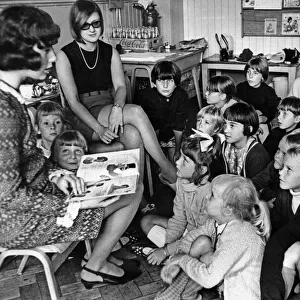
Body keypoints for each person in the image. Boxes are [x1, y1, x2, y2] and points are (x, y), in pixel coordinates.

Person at [0, 5, 143, 288]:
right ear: (22, 50)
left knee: (125, 184)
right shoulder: (5, 112)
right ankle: (95, 265)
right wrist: (70, 203)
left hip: (45, 194)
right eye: (46, 49)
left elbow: (28, 162)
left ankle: (101, 255)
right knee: (132, 192)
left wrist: (59, 175)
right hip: (21, 222)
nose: (53, 57)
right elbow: (8, 198)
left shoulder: (11, 101)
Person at [55, 0, 176, 185]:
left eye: (96, 23)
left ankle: (138, 193)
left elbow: (120, 87)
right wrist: (99, 129)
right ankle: (167, 168)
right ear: (76, 27)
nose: (92, 29)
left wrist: (118, 108)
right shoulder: (64, 55)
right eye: (85, 25)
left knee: (133, 135)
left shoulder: (109, 51)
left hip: (109, 108)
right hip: (84, 116)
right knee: (136, 111)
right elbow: (73, 102)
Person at [154, 174, 271, 300]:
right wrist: (176, 259)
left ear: (228, 209)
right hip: (225, 287)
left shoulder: (240, 235)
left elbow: (209, 279)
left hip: (239, 295)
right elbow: (192, 237)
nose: (206, 197)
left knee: (201, 261)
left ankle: (173, 295)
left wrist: (182, 259)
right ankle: (183, 294)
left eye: (212, 196)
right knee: (203, 244)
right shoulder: (217, 222)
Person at [139, 134, 221, 266]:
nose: (177, 161)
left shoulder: (209, 194)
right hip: (187, 233)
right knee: (146, 221)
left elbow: (199, 234)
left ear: (202, 169)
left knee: (201, 246)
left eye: (185, 160)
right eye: (180, 156)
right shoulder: (182, 182)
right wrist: (167, 246)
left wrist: (165, 251)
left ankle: (177, 261)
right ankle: (175, 259)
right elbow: (178, 219)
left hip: (202, 240)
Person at [260, 147, 300, 300]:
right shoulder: (283, 195)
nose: (280, 172)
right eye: (283, 166)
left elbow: (279, 242)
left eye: (288, 169)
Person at [139, 60, 189, 164]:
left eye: (170, 81)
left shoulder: (181, 96)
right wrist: (159, 156)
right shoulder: (148, 97)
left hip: (173, 135)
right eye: (161, 80)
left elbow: (179, 126)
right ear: (154, 82)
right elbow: (154, 127)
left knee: (176, 161)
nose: (165, 85)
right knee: (159, 164)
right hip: (153, 135)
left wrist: (177, 150)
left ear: (176, 83)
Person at [221, 102, 270, 178]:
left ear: (249, 129)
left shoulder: (257, 155)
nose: (225, 130)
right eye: (225, 124)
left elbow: (254, 186)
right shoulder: (225, 145)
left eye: (232, 125)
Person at [251, 131, 300, 201]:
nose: (277, 155)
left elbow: (279, 195)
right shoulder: (275, 165)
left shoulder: (294, 179)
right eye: (278, 149)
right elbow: (259, 180)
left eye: (284, 154)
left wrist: (264, 192)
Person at [236, 56, 280, 123]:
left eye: (255, 73)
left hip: (261, 122)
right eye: (248, 72)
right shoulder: (240, 87)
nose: (250, 76)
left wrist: (261, 119)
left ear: (262, 76)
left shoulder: (269, 92)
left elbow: (271, 113)